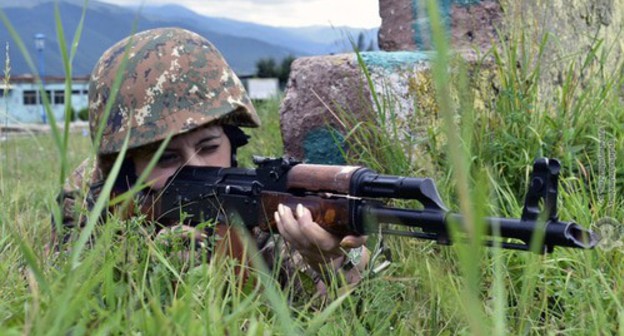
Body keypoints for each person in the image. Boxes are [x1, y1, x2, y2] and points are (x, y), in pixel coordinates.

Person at [55, 27, 368, 292]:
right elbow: (68, 288)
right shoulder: (89, 197)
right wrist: (149, 264)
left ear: (231, 142)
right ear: (125, 168)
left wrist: (332, 261)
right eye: (166, 158)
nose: (200, 168)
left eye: (208, 147)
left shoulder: (247, 201)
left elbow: (328, 302)